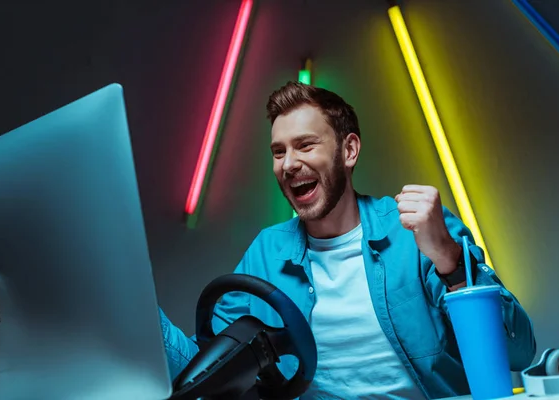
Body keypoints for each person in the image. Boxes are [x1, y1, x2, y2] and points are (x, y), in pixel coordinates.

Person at [159, 81, 536, 399]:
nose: (288, 164)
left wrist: (449, 260)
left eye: (305, 145)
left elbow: (517, 353)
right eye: (279, 152)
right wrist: (137, 307)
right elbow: (204, 373)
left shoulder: (416, 232)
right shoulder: (266, 251)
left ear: (349, 150)